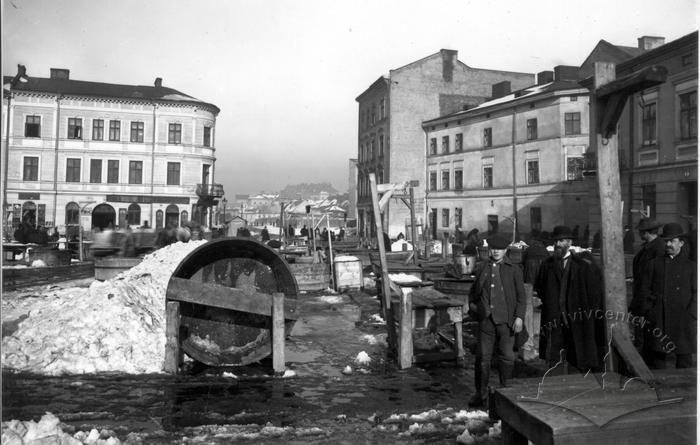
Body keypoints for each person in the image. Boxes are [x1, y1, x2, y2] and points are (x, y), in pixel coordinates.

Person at [468, 233, 526, 407]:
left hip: (506, 321)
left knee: (507, 357)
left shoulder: (514, 269)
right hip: (486, 321)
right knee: (482, 358)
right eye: (493, 249)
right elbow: (473, 292)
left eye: (500, 249)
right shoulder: (482, 267)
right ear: (489, 249)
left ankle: (505, 392)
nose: (496, 252)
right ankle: (481, 393)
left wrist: (519, 317)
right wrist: (474, 308)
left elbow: (521, 297)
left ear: (506, 250)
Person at [534, 225, 603, 373]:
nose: (558, 244)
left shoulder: (583, 267)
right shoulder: (547, 265)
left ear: (570, 243)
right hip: (554, 320)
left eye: (562, 241)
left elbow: (594, 294)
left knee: (577, 358)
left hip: (577, 321)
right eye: (556, 241)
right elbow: (540, 288)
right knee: (554, 360)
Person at [637, 223, 697, 369]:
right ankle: (659, 390)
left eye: (673, 241)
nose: (669, 244)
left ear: (681, 243)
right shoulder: (654, 264)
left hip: (683, 321)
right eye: (666, 241)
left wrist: (692, 314)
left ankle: (685, 390)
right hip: (659, 319)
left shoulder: (691, 267)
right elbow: (644, 291)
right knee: (658, 361)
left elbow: (697, 293)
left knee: (684, 361)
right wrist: (650, 312)